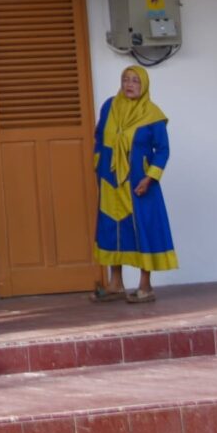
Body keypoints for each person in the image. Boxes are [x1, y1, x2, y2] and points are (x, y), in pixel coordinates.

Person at [90, 63, 176, 303]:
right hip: (110, 181)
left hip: (139, 183)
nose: (129, 85)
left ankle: (145, 286)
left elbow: (163, 150)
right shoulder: (110, 106)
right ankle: (115, 283)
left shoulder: (152, 114)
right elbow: (99, 136)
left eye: (135, 81)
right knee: (112, 227)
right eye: (126, 79)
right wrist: (98, 163)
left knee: (142, 230)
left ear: (144, 85)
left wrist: (150, 177)